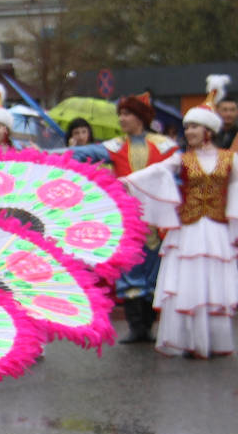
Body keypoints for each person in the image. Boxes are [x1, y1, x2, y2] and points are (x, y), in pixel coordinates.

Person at [121, 78, 238, 358]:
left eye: (194, 126)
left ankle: (215, 341)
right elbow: (156, 173)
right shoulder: (182, 159)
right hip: (189, 229)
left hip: (217, 230)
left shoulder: (229, 160)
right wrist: (125, 182)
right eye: (187, 127)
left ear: (209, 131)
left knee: (213, 280)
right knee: (190, 282)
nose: (189, 131)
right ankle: (190, 341)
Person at [70, 92, 180, 343]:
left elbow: (179, 172)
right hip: (128, 218)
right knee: (129, 268)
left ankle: (149, 325)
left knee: (154, 268)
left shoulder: (164, 145)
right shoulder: (117, 146)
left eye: (127, 114)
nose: (122, 118)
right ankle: (136, 325)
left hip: (157, 219)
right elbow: (80, 153)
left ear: (140, 117)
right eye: (120, 114)